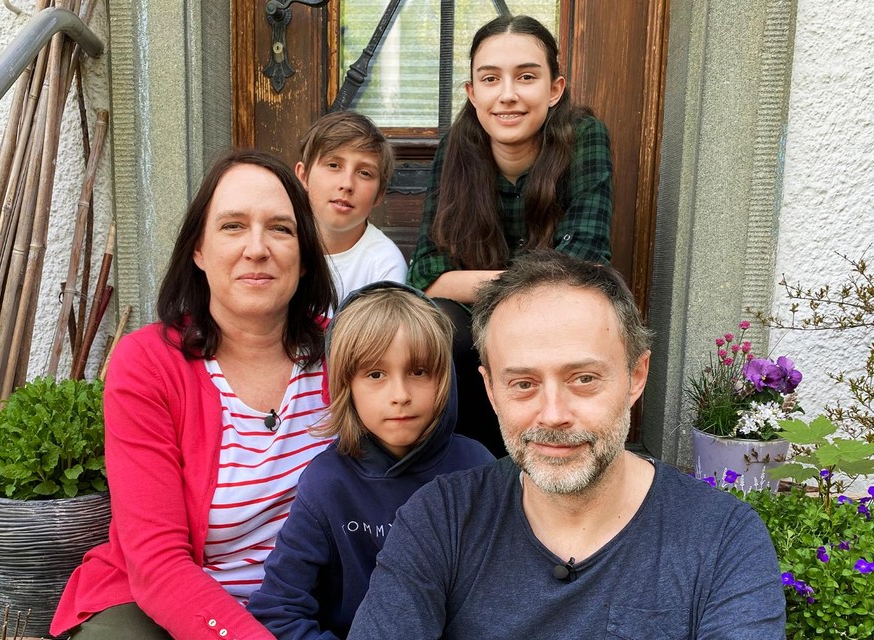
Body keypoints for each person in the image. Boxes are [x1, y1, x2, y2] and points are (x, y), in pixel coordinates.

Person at [349, 251, 786, 639]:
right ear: (491, 391)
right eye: (523, 383)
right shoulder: (440, 521)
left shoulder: (722, 540)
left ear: (636, 376)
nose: (553, 414)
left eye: (583, 379)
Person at [51, 150, 337, 640]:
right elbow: (157, 561)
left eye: (280, 229)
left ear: (305, 255)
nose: (257, 248)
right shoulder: (148, 365)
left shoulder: (344, 352)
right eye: (232, 226)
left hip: (303, 606)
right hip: (169, 606)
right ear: (198, 251)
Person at [406, 15, 614, 457]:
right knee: (442, 325)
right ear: (472, 92)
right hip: (474, 331)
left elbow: (584, 263)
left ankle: (550, 458)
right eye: (490, 79)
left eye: (526, 77)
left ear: (554, 89)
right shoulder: (456, 148)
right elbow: (427, 275)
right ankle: (470, 465)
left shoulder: (584, 138)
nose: (507, 95)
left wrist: (478, 283)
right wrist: (532, 279)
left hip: (561, 318)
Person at [246, 281, 493, 639]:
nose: (400, 395)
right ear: (346, 386)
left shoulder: (479, 470)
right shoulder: (326, 483)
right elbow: (278, 610)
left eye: (418, 371)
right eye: (376, 374)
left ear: (445, 377)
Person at [296, 111, 407, 305]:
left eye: (364, 173)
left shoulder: (385, 266)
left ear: (379, 195)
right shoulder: (279, 242)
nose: (347, 184)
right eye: (333, 165)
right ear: (304, 176)